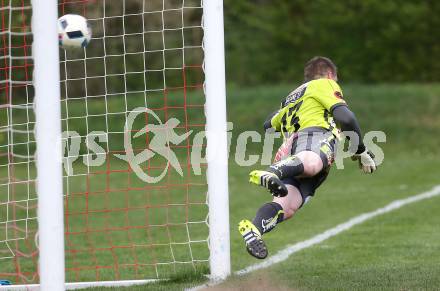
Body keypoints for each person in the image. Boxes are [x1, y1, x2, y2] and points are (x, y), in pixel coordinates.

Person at [238, 56, 377, 259]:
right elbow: (347, 118)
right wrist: (360, 150)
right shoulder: (324, 83)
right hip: (311, 141)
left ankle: (255, 228)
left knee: (288, 205)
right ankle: (272, 172)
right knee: (312, 163)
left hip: (292, 152)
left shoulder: (293, 98)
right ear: (330, 75)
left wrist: (285, 109)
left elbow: (268, 125)